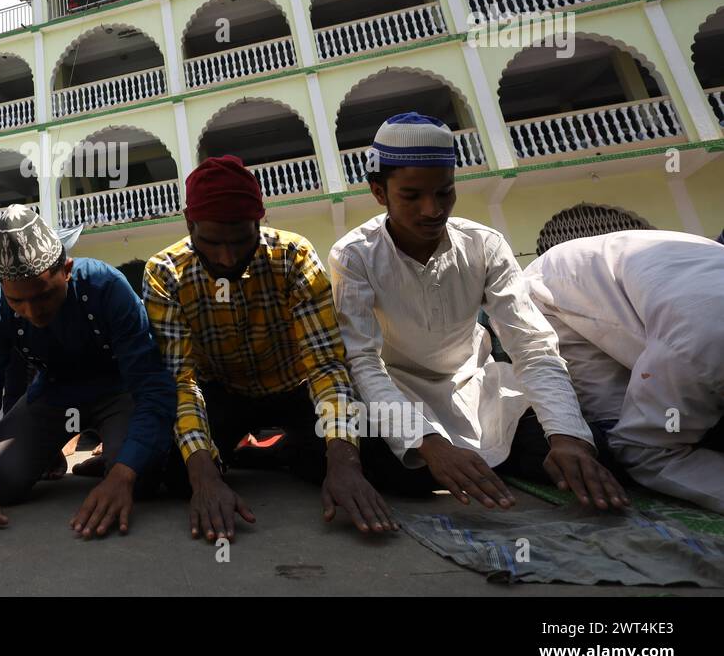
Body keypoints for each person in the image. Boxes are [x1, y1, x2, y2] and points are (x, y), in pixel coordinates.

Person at [327, 113, 626, 511]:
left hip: (479, 390)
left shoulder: (484, 244)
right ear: (379, 192)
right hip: (399, 393)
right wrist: (428, 443)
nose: (433, 210)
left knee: (591, 452)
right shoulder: (354, 255)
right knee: (399, 469)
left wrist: (567, 436)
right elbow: (363, 362)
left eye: (444, 193)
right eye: (412, 196)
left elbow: (531, 345)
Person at [142, 156, 396, 542]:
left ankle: (277, 451)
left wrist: (344, 460)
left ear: (260, 221)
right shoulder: (165, 273)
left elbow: (326, 366)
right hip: (223, 393)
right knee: (178, 477)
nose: (226, 258)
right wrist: (203, 477)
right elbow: (182, 380)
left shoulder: (293, 257)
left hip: (296, 388)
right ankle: (244, 451)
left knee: (380, 463)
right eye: (211, 243)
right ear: (188, 223)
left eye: (240, 241)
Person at [0, 205, 176, 540]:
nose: (32, 312)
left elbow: (153, 385)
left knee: (145, 477)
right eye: (18, 302)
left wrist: (123, 475)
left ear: (66, 269)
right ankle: (68, 452)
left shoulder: (106, 286)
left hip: (117, 392)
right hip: (54, 396)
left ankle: (112, 456)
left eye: (44, 296)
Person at [524, 230, 724, 513]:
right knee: (617, 442)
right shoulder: (699, 352)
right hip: (556, 292)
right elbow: (644, 451)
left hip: (653, 272)